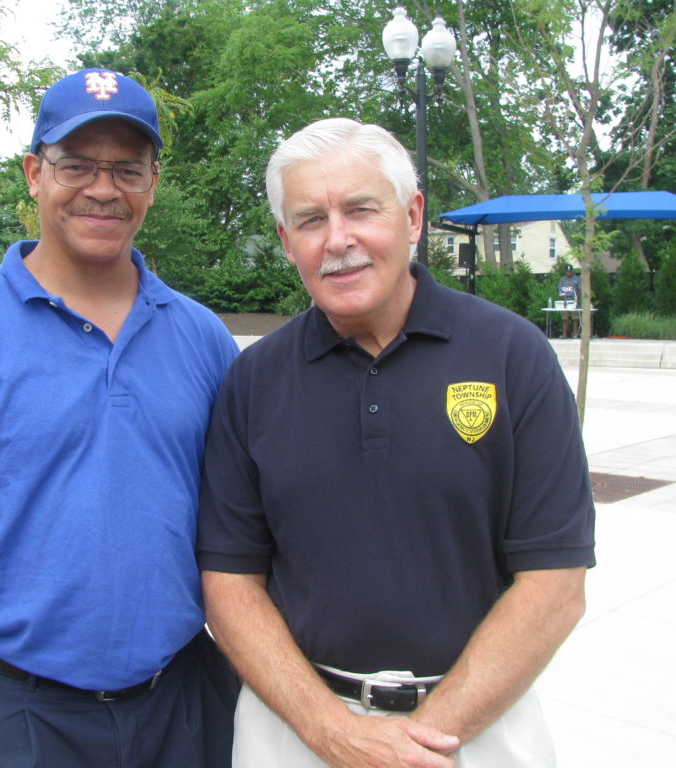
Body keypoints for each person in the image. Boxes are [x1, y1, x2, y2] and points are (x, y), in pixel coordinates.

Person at [0, 69, 240, 768]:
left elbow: (243, 532)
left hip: (183, 707)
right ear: (34, 173)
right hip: (19, 717)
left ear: (154, 182)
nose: (103, 189)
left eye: (127, 168)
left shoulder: (202, 338)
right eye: (76, 165)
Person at [197, 118, 595, 768]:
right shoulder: (252, 383)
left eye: (360, 209)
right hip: (293, 732)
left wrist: (419, 743)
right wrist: (333, 733)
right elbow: (230, 583)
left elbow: (555, 583)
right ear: (285, 240)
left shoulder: (512, 357)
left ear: (412, 216)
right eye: (310, 220)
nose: (339, 240)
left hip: (478, 728)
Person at [556, 264, 582, 338]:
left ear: (572, 271)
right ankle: (564, 335)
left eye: (570, 271)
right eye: (567, 271)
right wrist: (561, 297)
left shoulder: (577, 279)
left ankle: (575, 335)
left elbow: (580, 289)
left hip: (574, 301)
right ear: (565, 272)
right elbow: (560, 289)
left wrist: (577, 299)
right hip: (565, 301)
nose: (569, 273)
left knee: (575, 319)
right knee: (564, 319)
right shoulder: (562, 279)